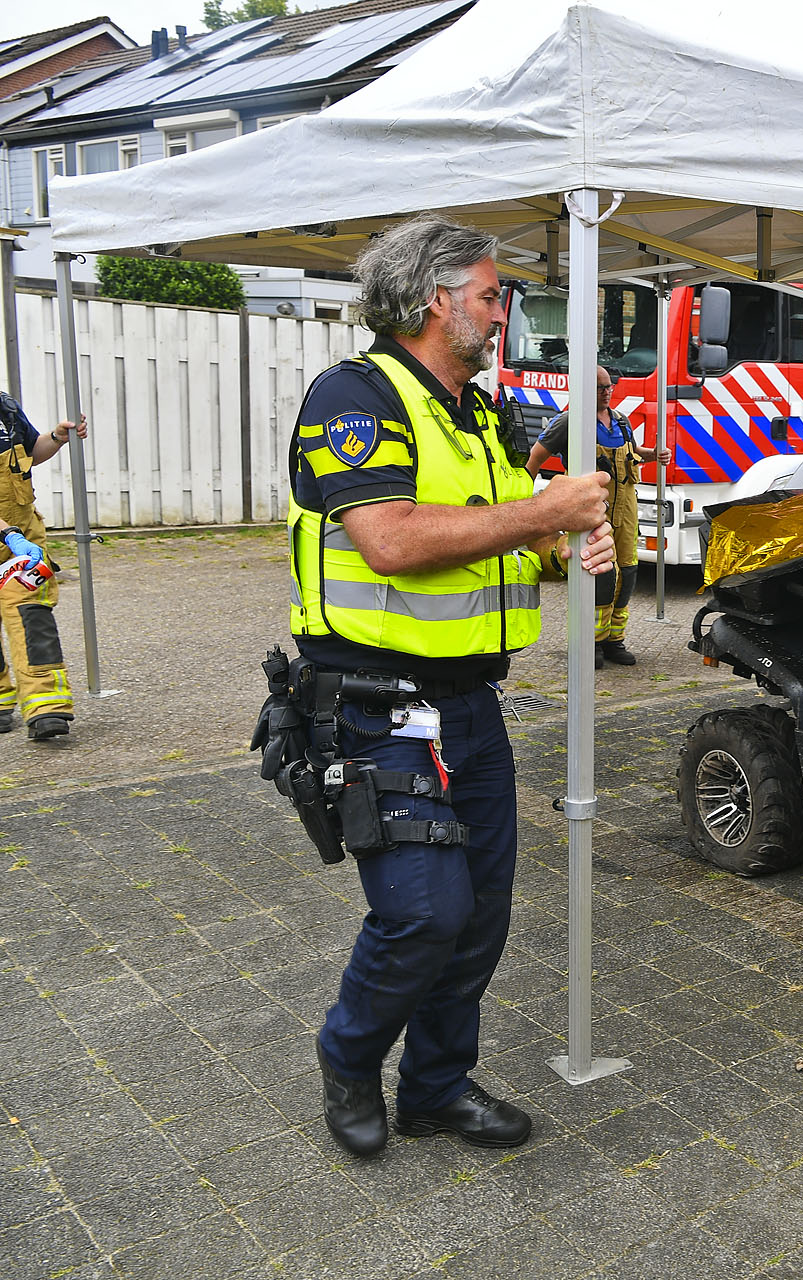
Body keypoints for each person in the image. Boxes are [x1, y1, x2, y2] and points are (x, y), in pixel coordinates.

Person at [287, 214, 615, 1157]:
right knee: (424, 913)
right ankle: (348, 1058)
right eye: (489, 294)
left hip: (469, 706)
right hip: (376, 706)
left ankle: (434, 1087)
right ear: (435, 300)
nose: (502, 312)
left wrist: (561, 545)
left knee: (480, 915)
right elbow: (390, 540)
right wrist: (543, 508)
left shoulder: (479, 411)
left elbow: (506, 537)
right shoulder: (355, 396)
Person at [524, 366, 667, 669]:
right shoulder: (569, 422)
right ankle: (592, 642)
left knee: (628, 572)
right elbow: (535, 457)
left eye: (608, 386)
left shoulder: (621, 420)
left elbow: (634, 452)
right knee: (601, 575)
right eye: (600, 387)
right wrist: (522, 501)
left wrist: (654, 454)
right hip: (591, 512)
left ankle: (615, 640)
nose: (606, 392)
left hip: (625, 511)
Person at [0, 392, 86, 741]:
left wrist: (56, 438)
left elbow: (30, 454)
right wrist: (7, 533)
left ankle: (45, 707)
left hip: (20, 541)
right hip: (11, 535)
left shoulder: (4, 408)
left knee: (32, 618)